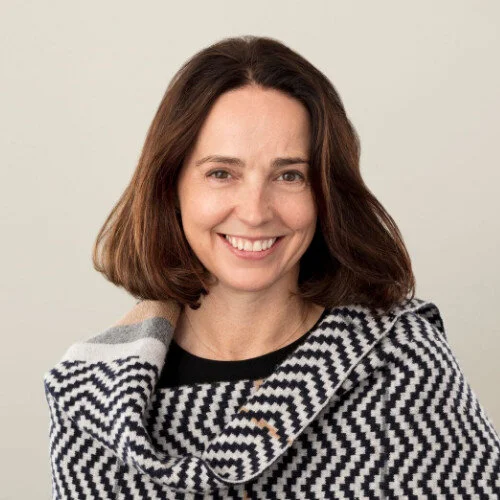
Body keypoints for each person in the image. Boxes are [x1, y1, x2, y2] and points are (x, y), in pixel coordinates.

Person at [43, 35, 500, 498]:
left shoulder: (403, 363)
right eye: (222, 173)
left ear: (325, 193)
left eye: (289, 175)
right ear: (171, 186)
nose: (255, 211)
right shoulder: (90, 397)